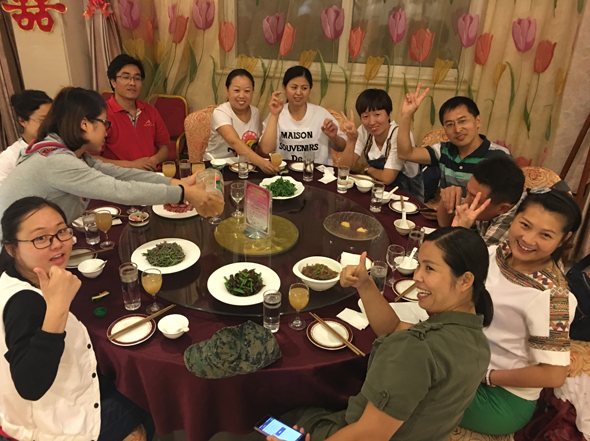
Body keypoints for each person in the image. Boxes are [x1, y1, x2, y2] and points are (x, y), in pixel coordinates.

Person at [211, 227, 493, 441]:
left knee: (265, 412)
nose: (417, 276)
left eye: (429, 268)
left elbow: (370, 434)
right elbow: (395, 329)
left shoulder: (417, 350)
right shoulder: (476, 341)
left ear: (465, 281)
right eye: (419, 264)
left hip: (354, 431)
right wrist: (365, 284)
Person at [0, 87, 222, 268]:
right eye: (104, 123)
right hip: (7, 259)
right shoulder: (56, 161)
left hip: (30, 249)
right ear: (84, 124)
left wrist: (177, 183)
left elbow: (121, 174)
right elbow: (120, 190)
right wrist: (182, 193)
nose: (107, 130)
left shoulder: (67, 153)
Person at [0, 197, 154, 441]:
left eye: (61, 231)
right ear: (12, 249)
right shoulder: (25, 302)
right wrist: (58, 307)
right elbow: (30, 385)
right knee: (152, 394)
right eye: (40, 238)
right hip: (47, 431)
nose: (57, 244)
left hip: (34, 414)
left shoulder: (9, 276)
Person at [459, 189, 581, 436]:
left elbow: (554, 375)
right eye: (525, 225)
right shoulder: (497, 253)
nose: (528, 239)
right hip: (464, 362)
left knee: (407, 381)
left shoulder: (555, 298)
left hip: (500, 397)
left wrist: (487, 376)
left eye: (545, 235)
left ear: (563, 239)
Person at [397, 83, 510, 197]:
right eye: (450, 124)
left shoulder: (499, 156)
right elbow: (405, 154)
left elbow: (506, 200)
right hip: (446, 209)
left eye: (462, 121)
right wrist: (406, 116)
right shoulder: (444, 150)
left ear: (478, 121)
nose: (457, 129)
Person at [338, 89, 424, 201]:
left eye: (377, 114)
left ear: (389, 114)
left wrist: (369, 170)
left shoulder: (399, 134)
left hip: (407, 196)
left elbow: (387, 178)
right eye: (365, 116)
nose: (371, 122)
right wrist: (351, 140)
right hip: (379, 192)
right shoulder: (364, 131)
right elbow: (344, 168)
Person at [92, 54, 170, 170]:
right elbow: (92, 158)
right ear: (113, 82)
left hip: (151, 174)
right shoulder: (101, 114)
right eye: (126, 77)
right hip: (118, 177)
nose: (132, 83)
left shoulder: (150, 111)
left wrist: (154, 161)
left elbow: (164, 148)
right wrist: (132, 165)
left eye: (137, 78)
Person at [260, 66, 346, 166]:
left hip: (316, 172)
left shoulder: (321, 114)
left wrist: (334, 137)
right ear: (284, 88)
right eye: (294, 87)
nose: (299, 93)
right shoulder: (277, 114)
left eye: (304, 88)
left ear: (310, 89)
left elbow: (342, 147)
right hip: (285, 172)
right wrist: (274, 115)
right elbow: (266, 150)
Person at [438, 156, 525, 245]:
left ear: (503, 208)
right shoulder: (484, 200)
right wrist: (446, 200)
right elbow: (445, 225)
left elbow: (470, 254)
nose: (465, 201)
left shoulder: (510, 223)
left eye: (474, 198)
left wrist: (460, 231)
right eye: (467, 191)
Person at [204, 69, 278, 174]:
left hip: (244, 167)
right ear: (227, 91)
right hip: (217, 167)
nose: (242, 96)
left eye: (247, 91)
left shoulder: (255, 112)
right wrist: (262, 163)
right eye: (237, 90)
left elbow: (255, 145)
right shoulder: (220, 112)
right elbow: (234, 142)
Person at [0, 90, 52, 193]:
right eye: (42, 120)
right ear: (22, 121)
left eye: (52, 120)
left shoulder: (58, 146)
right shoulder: (10, 156)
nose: (49, 125)